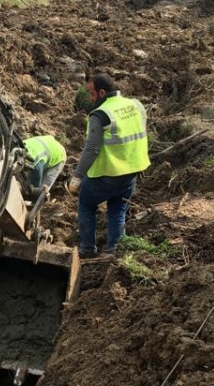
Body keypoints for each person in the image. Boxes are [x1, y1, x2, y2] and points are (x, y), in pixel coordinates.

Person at [67, 73, 151, 257]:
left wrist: (77, 177)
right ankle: (114, 250)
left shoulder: (100, 114)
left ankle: (87, 249)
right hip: (131, 173)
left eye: (91, 93)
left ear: (102, 92)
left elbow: (91, 149)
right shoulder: (135, 105)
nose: (90, 98)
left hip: (107, 174)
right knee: (117, 211)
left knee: (86, 204)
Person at [22, 135, 67, 199]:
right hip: (46, 145)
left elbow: (36, 176)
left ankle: (38, 202)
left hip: (59, 157)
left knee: (42, 188)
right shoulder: (19, 146)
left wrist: (34, 192)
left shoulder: (35, 163)